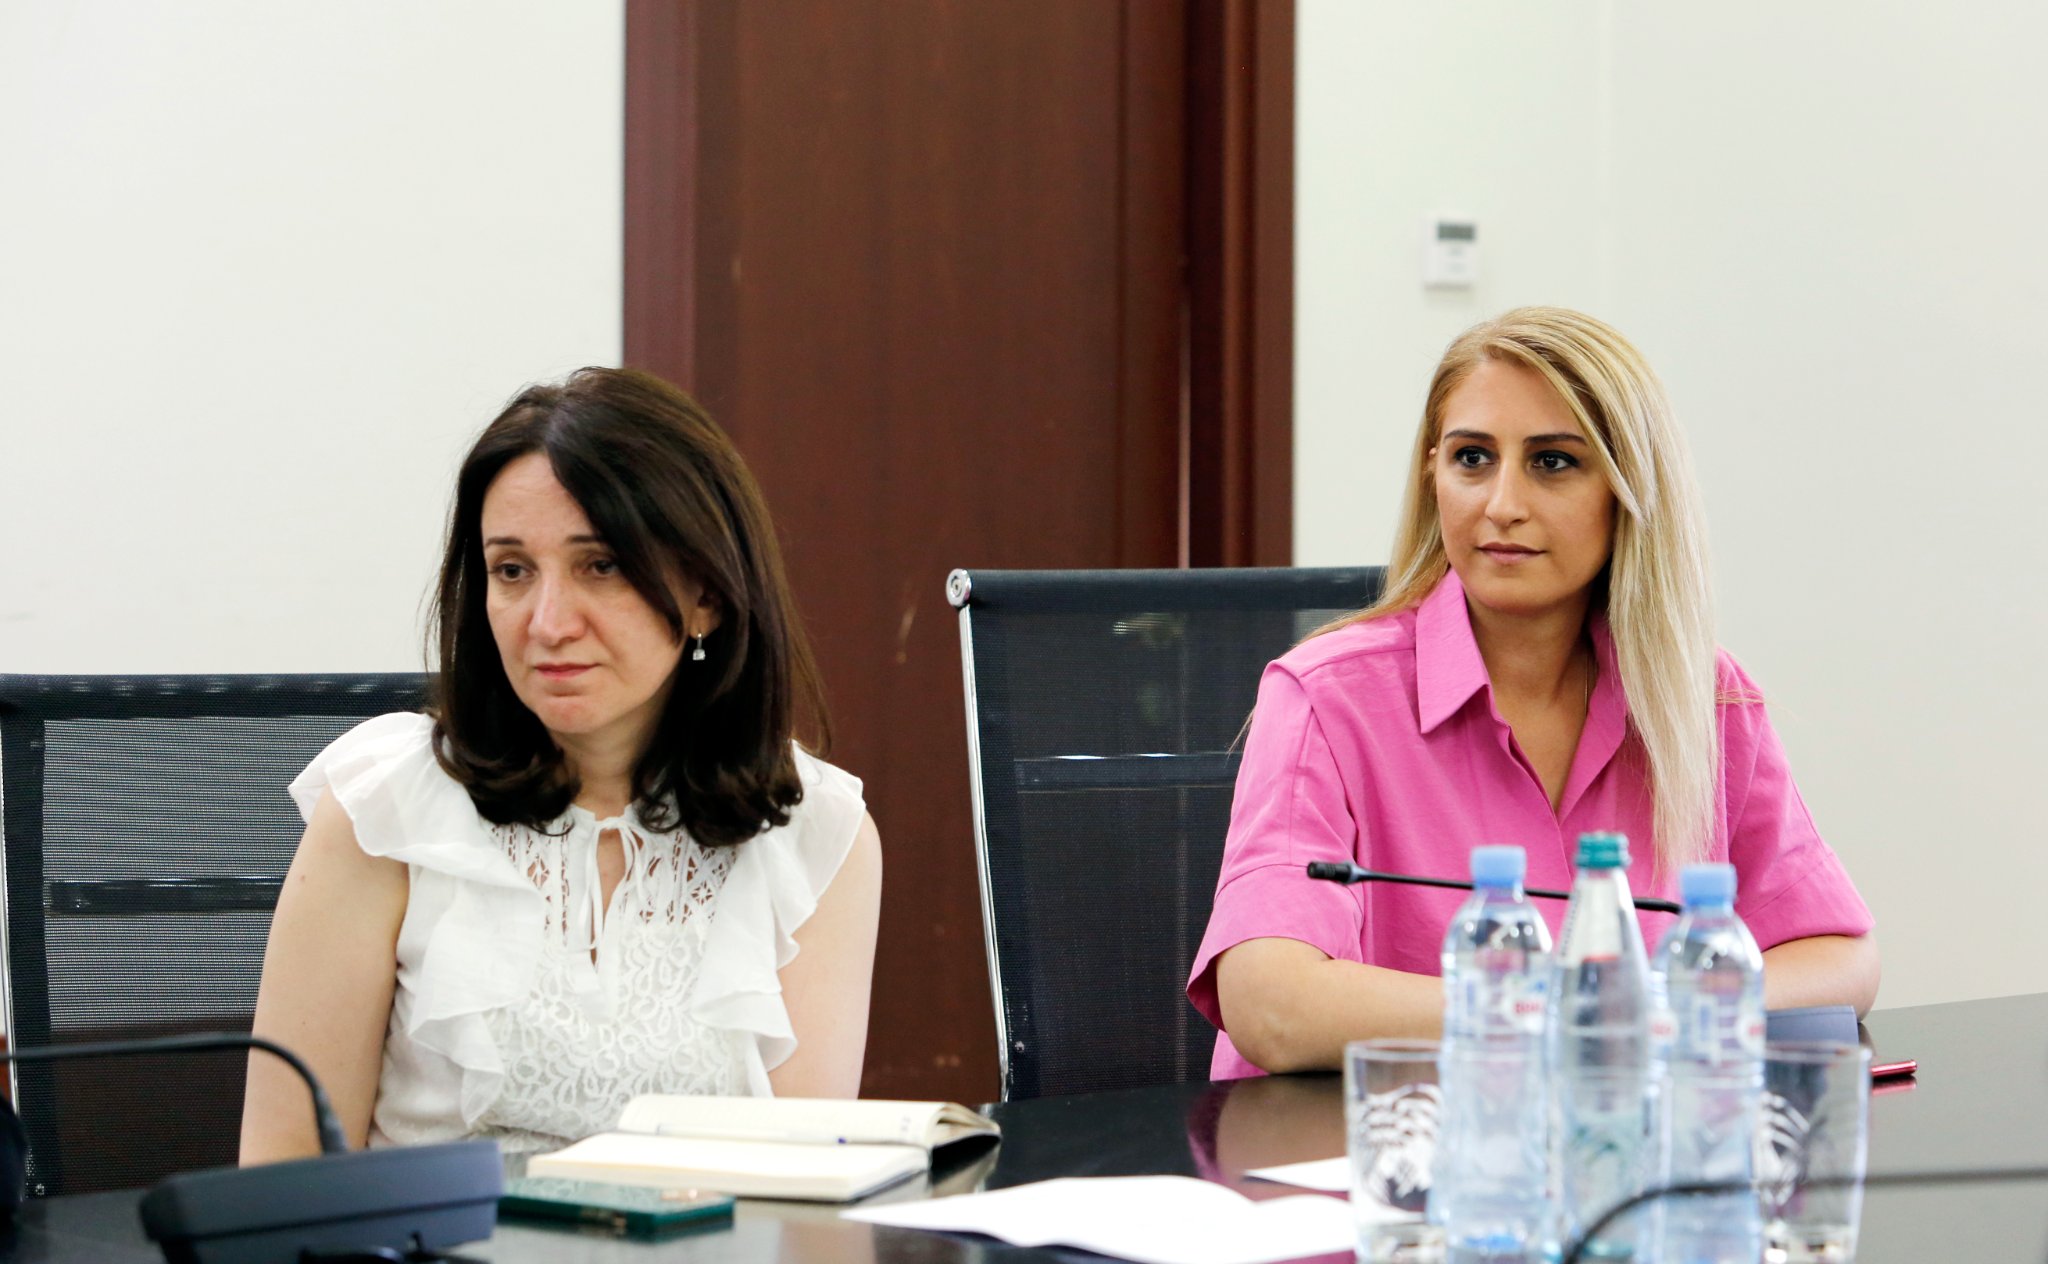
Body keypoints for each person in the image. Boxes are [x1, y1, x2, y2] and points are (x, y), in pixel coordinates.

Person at [1186, 307, 1878, 1078]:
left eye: (1552, 462)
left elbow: (1839, 959)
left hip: (1625, 1136)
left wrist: (1645, 1013)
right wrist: (1578, 1012)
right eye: (1473, 458)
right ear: (1433, 475)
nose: (1502, 504)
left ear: (1628, 491)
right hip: (1379, 1141)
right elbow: (1271, 1005)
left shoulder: (1703, 699)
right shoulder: (1325, 698)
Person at [241, 367, 883, 1161]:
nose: (547, 623)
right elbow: (282, 1170)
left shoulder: (817, 833)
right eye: (513, 571)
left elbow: (805, 1188)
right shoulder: (387, 807)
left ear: (707, 595)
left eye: (600, 566)